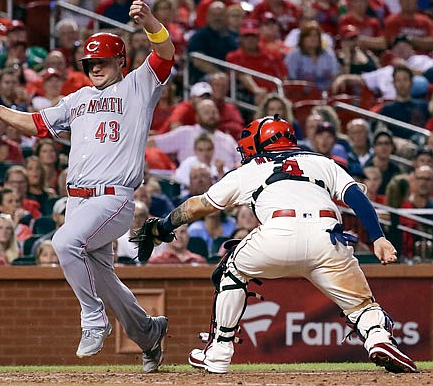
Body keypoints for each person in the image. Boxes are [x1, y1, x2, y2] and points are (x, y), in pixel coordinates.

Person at [0, 0, 172, 372]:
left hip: (114, 198)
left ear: (120, 61)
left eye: (103, 61)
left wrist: (150, 21)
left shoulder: (139, 86)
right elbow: (36, 124)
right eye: (90, 62)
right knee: (104, 278)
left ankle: (94, 320)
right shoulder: (77, 99)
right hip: (77, 200)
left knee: (63, 242)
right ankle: (147, 333)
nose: (95, 67)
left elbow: (165, 53)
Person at [138, 115, 416, 374]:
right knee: (361, 304)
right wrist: (378, 237)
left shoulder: (250, 169)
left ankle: (219, 353)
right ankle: (379, 338)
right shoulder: (321, 161)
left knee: (231, 270)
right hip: (328, 236)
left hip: (278, 234)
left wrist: (164, 226)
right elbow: (355, 196)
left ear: (258, 144)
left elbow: (200, 205)